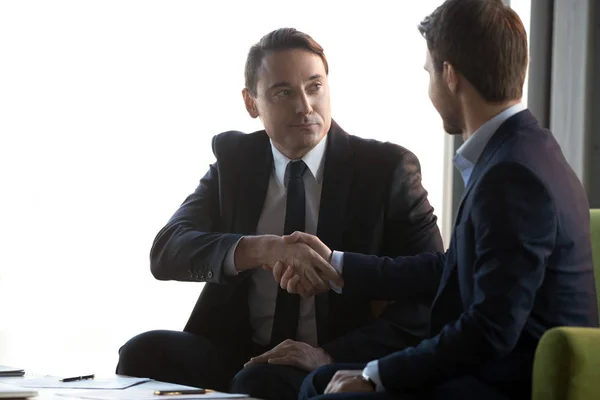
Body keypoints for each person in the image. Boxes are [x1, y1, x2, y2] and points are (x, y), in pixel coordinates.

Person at [272, 1, 599, 399]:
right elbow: (453, 268)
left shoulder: (511, 175)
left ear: (450, 75)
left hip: (506, 381)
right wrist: (337, 265)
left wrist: (376, 376)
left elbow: (490, 330)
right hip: (499, 368)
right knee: (322, 382)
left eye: (429, 72)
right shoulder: (526, 149)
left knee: (323, 386)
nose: (429, 85)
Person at [115, 27, 444, 400]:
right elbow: (167, 251)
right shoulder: (235, 160)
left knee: (258, 384)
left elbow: (432, 288)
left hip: (332, 358)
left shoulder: (386, 170)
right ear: (251, 103)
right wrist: (264, 250)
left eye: (314, 87)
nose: (305, 106)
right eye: (284, 92)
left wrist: (331, 355)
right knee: (142, 352)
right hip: (241, 351)